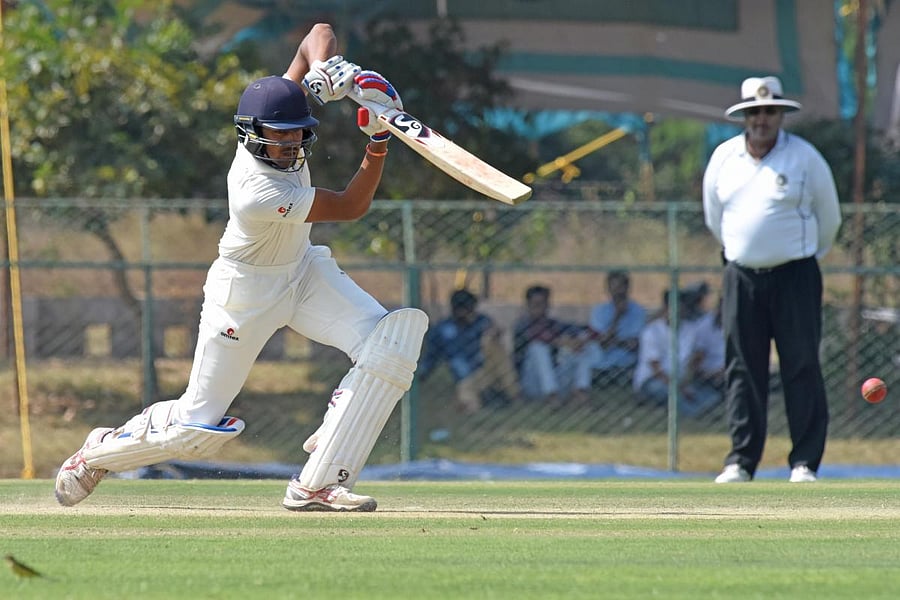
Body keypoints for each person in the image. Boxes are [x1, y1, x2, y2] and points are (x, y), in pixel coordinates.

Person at [55, 23, 428, 512]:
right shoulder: (258, 191)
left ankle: (317, 484)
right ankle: (97, 453)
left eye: (298, 132)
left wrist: (325, 69)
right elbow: (350, 206)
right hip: (244, 293)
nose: (291, 142)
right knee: (196, 430)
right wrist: (378, 141)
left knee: (391, 343)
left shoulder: (281, 116)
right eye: (279, 135)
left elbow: (317, 33)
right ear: (251, 134)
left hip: (303, 273)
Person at [703, 75, 841, 483]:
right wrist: (742, 252)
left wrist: (801, 255)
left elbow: (829, 219)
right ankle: (741, 461)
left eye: (769, 111)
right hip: (741, 276)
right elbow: (714, 217)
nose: (761, 119)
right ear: (744, 117)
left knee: (801, 364)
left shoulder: (805, 158)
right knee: (742, 368)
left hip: (795, 275)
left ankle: (804, 462)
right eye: (754, 112)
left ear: (780, 115)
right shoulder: (724, 158)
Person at [417, 289, 520, 414]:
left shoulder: (482, 321)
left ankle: (513, 393)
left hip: (488, 368)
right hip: (467, 377)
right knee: (466, 390)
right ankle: (479, 404)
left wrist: (495, 334)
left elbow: (495, 342)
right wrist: (420, 375)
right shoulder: (442, 329)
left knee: (492, 344)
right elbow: (431, 357)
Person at [632, 290, 721, 417]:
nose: (679, 311)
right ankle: (696, 413)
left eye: (681, 307)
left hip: (682, 380)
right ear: (666, 308)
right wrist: (679, 388)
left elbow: (695, 359)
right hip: (654, 380)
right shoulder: (652, 332)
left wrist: (685, 383)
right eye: (674, 307)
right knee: (666, 392)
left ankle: (697, 408)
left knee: (712, 397)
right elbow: (656, 370)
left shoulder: (691, 329)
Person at [512, 285, 592, 406]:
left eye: (543, 304)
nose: (540, 308)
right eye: (536, 304)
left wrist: (578, 340)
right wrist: (562, 342)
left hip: (557, 380)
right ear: (528, 305)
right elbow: (538, 336)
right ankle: (551, 396)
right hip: (531, 384)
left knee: (582, 346)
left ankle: (581, 392)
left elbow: (582, 329)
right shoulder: (522, 325)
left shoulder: (553, 324)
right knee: (538, 347)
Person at [584, 270, 647, 387]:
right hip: (602, 363)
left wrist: (612, 340)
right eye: (614, 288)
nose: (618, 292)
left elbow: (634, 345)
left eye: (621, 287)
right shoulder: (599, 311)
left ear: (627, 288)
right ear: (608, 289)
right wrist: (617, 317)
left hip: (627, 364)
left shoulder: (638, 311)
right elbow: (603, 344)